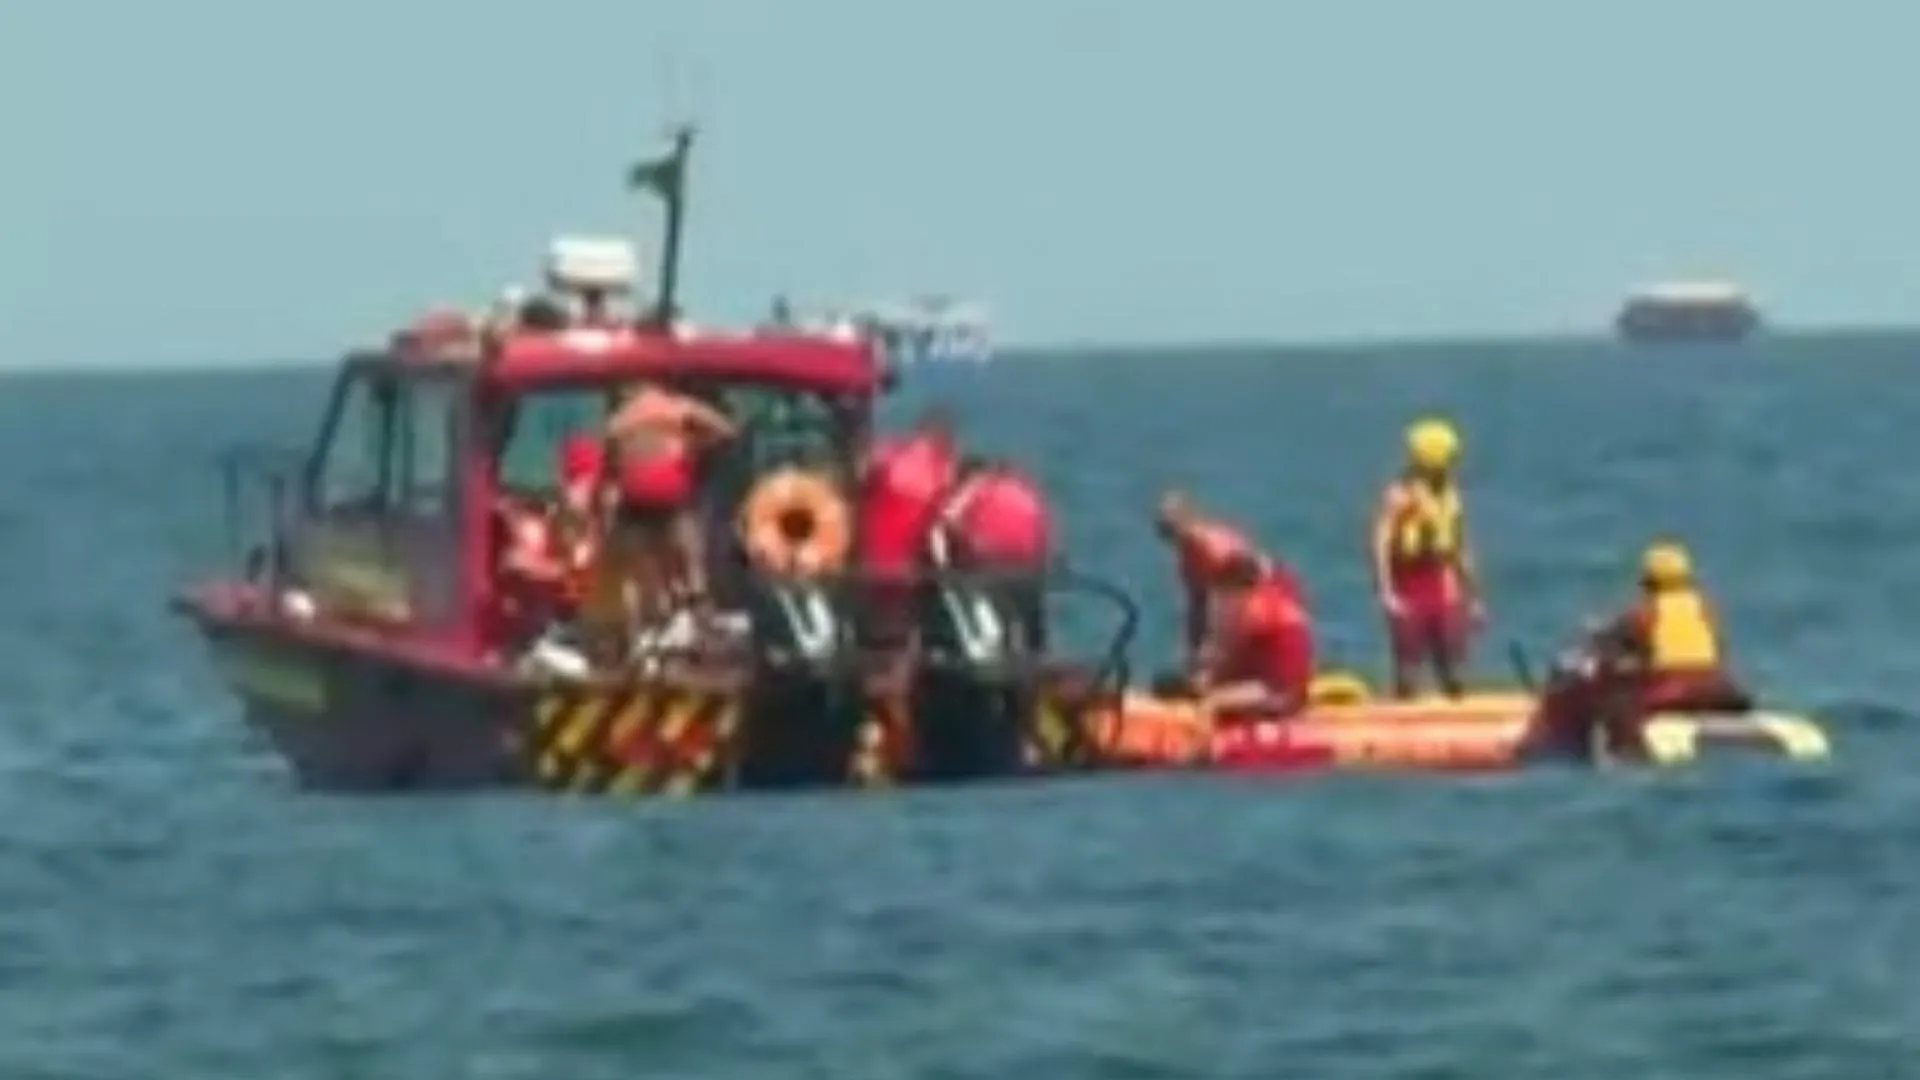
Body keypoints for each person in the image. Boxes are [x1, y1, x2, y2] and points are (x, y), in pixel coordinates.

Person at [604, 381, 738, 647]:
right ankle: (698, 616)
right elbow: (727, 430)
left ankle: (642, 628)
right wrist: (696, 446)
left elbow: (612, 466)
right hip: (670, 489)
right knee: (689, 556)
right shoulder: (677, 407)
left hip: (636, 495)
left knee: (641, 564)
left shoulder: (619, 421)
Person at [1371, 417, 1483, 698]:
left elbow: (1460, 547)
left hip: (1442, 581)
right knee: (1408, 667)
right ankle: (1405, 706)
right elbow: (1381, 543)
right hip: (1409, 583)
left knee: (1453, 665)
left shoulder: (1450, 495)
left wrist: (1474, 596)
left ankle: (1455, 705)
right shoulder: (1400, 495)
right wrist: (1386, 592)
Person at [855, 406, 960, 647]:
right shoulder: (942, 470)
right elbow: (944, 524)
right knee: (903, 629)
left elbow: (862, 472)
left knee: (875, 629)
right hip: (909, 571)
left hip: (871, 563)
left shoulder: (891, 453)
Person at [930, 456, 1054, 650]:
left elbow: (948, 519)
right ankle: (1035, 655)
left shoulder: (977, 487)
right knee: (1029, 619)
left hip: (991, 560)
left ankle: (998, 654)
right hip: (1028, 563)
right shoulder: (1024, 490)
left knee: (996, 613)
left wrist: (964, 544)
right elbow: (1042, 528)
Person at [1194, 550, 1317, 716]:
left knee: (1212, 701)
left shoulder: (1276, 621)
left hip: (1278, 693)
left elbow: (1277, 688)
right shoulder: (1251, 606)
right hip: (1263, 682)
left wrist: (1215, 695)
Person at [1154, 490, 1256, 678]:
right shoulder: (1189, 557)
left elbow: (1244, 595)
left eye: (1169, 526)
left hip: (1255, 610)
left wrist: (1216, 650)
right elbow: (1196, 607)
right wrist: (1193, 656)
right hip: (1235, 612)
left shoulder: (1216, 548)